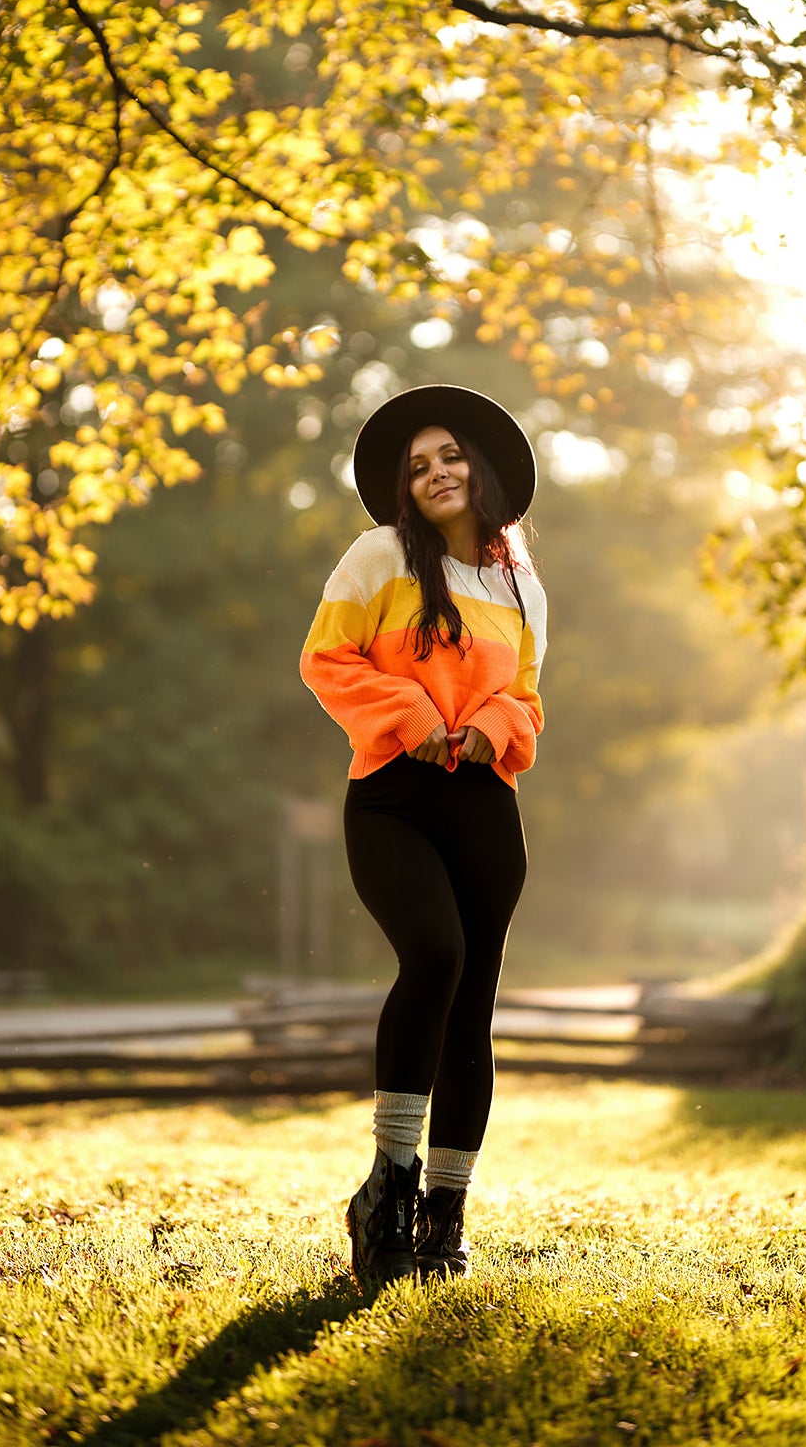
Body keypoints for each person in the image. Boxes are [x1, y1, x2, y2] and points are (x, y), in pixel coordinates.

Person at [299, 384, 546, 1290]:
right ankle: (388, 1189)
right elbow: (326, 661)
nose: (436, 472)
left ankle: (446, 1218)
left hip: (485, 805)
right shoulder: (377, 558)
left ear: (479, 468)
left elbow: (528, 700)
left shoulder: (521, 586)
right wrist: (411, 714)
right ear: (403, 488)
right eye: (417, 466)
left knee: (472, 1003)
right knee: (435, 954)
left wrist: (493, 725)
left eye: (449, 455)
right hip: (392, 799)